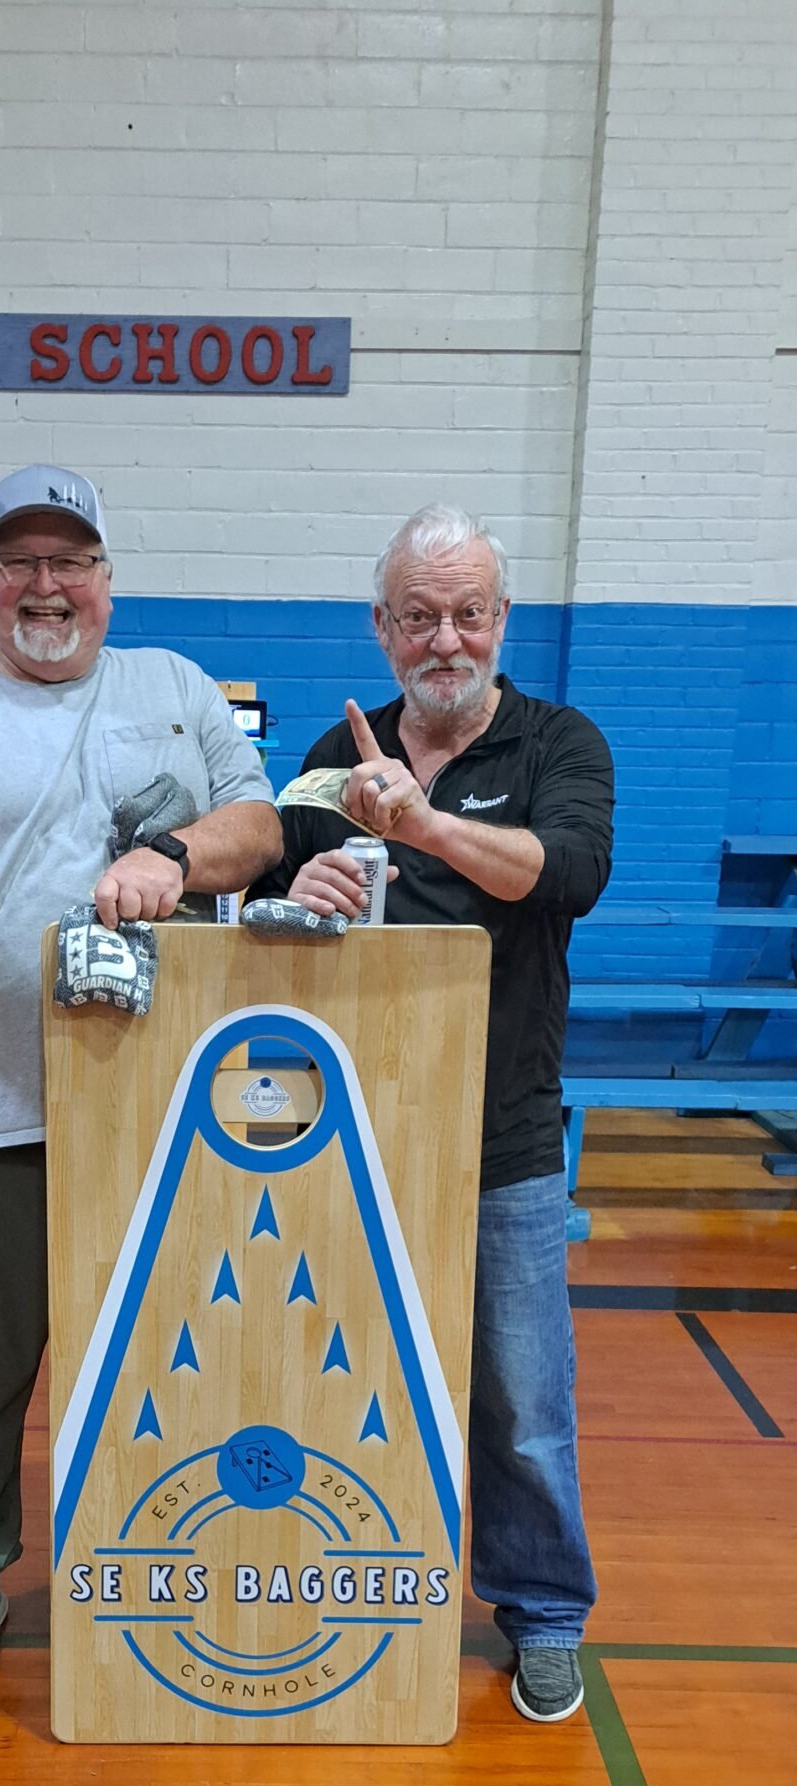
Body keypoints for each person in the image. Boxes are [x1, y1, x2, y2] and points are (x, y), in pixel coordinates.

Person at [0, 466, 280, 1675]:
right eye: (20, 563)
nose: (47, 586)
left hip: (165, 1109)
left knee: (173, 1350)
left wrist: (173, 854)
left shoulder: (174, 685)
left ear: (105, 578)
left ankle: (166, 1562)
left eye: (69, 561)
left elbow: (259, 828)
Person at [258, 502, 614, 1723]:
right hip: (344, 1142)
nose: (444, 639)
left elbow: (564, 876)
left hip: (499, 1139)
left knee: (520, 1408)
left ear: (500, 618)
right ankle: (335, 1583)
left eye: (466, 612)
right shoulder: (331, 754)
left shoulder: (557, 742)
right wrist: (298, 885)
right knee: (332, 1374)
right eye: (418, 616)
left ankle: (543, 1614)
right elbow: (269, 920)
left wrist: (419, 823)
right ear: (382, 626)